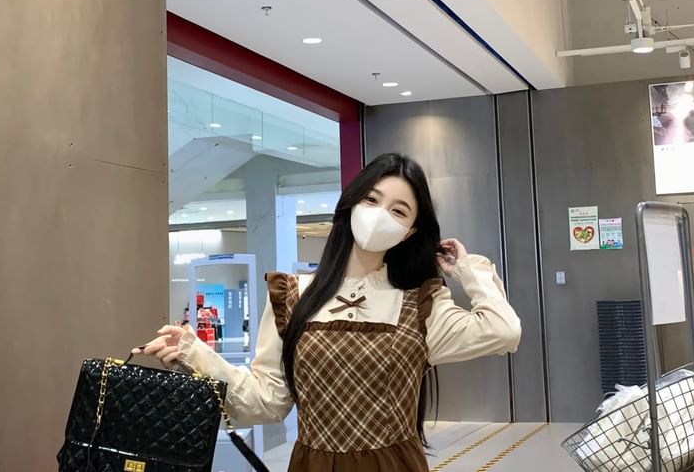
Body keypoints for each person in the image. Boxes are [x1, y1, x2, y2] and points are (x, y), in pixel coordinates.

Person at [134, 153, 521, 471]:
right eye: (372, 200)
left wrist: (468, 269)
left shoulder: (420, 304)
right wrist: (193, 352)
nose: (380, 214)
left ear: (411, 231)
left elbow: (503, 331)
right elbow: (267, 401)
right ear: (351, 203)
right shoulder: (293, 296)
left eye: (399, 210)